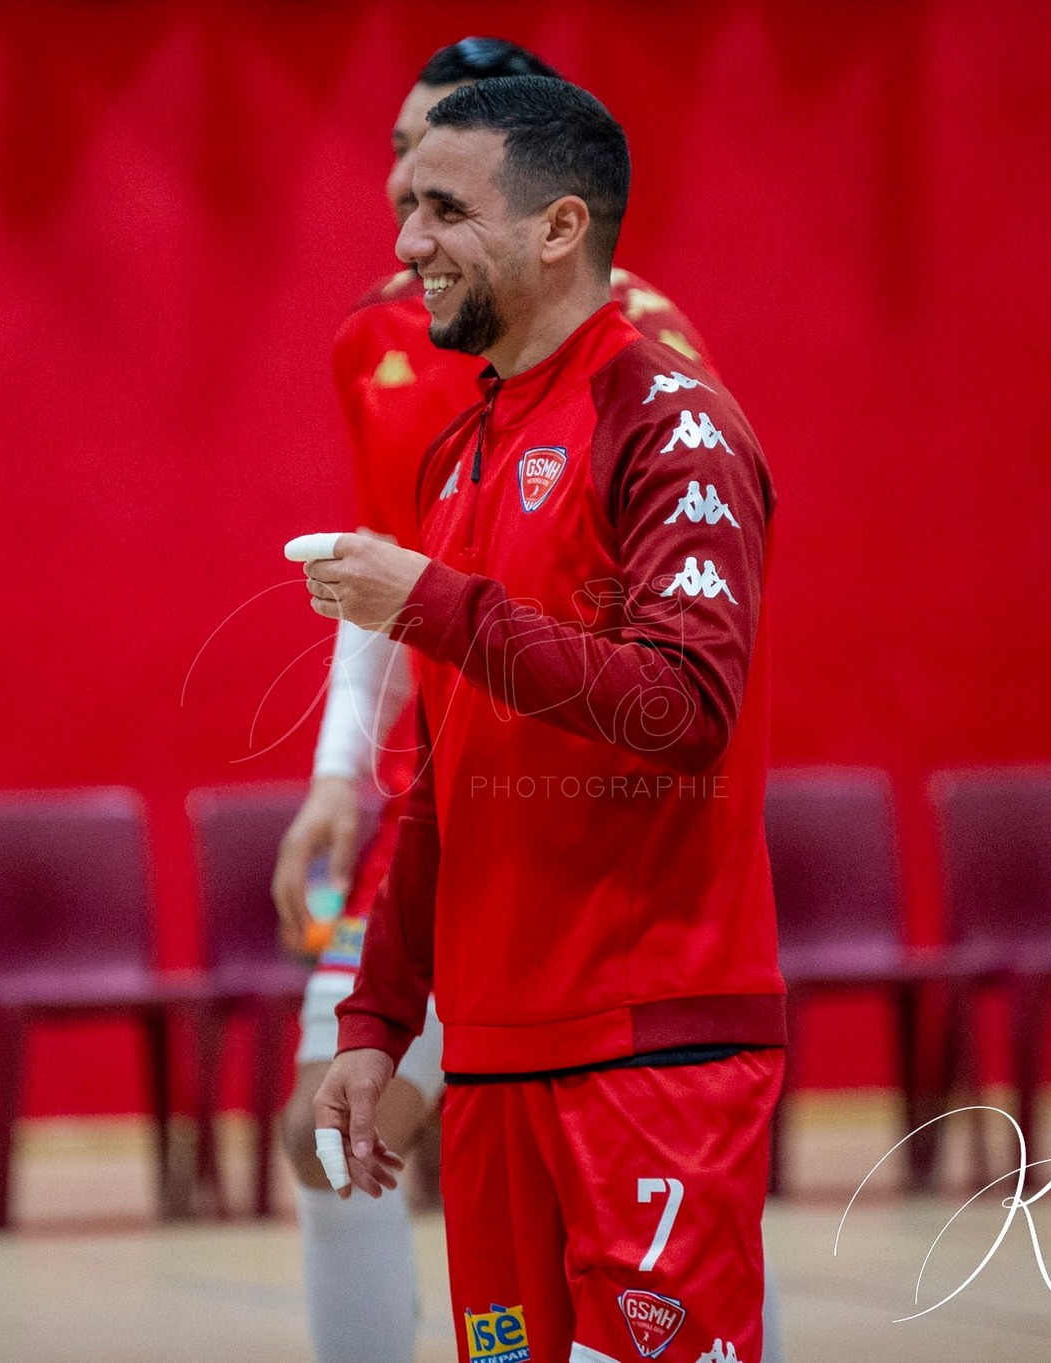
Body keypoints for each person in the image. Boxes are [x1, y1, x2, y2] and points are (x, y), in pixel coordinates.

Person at [271, 38, 741, 1363]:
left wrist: (438, 615)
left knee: (653, 1296)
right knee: (334, 1132)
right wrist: (335, 781)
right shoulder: (388, 346)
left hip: (614, 921)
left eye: (442, 186)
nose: (409, 215)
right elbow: (383, 585)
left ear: (547, 210)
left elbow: (683, 674)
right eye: (399, 181)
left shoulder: (647, 376)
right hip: (440, 833)